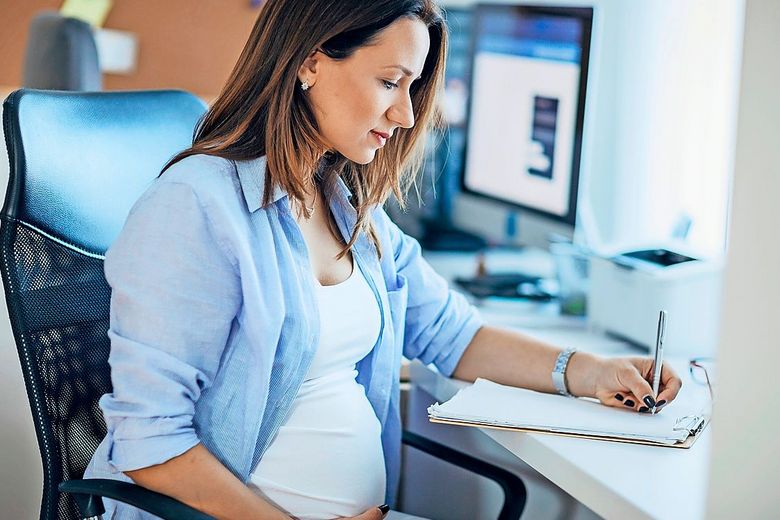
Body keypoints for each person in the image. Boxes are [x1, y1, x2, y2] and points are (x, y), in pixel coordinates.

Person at [84, 0, 683, 518]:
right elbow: (150, 439)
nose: (404, 115)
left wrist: (592, 372)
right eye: (390, 82)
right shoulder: (194, 207)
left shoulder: (344, 204)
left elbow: (452, 333)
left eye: (413, 89)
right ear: (311, 62)